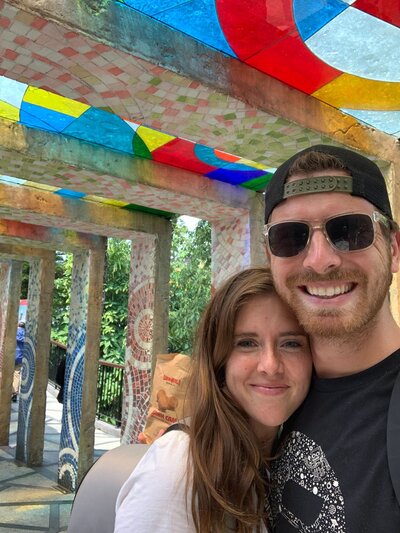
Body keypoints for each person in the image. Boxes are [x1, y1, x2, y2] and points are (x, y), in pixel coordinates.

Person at [263, 144, 400, 531]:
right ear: (269, 257)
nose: (320, 259)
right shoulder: (262, 396)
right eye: (291, 238)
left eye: (350, 231)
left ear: (393, 249)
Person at [114, 267, 312, 532]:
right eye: (246, 343)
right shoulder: (178, 468)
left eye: (291, 343)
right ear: (219, 361)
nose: (270, 366)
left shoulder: (285, 458)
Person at [12, 320, 25, 402]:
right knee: (17, 375)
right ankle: (14, 394)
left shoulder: (13, 331)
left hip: (11, 355)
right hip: (20, 357)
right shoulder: (26, 334)